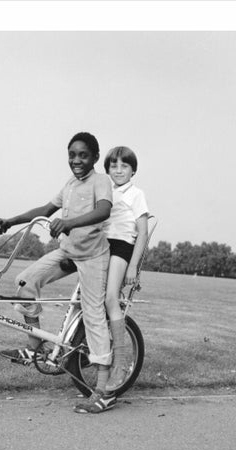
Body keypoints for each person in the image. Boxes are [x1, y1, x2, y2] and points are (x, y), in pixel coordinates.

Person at [0, 132, 116, 414]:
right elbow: (46, 209)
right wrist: (11, 221)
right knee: (25, 280)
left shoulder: (101, 181)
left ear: (95, 157)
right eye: (72, 155)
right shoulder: (70, 184)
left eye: (83, 155)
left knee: (93, 313)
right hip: (68, 252)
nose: (76, 160)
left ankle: (104, 391)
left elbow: (104, 211)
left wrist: (69, 222)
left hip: (94, 257)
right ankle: (35, 348)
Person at [102, 146, 149, 392]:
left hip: (121, 247)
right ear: (107, 169)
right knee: (89, 301)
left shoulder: (136, 194)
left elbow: (142, 232)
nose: (118, 170)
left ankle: (119, 365)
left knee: (111, 299)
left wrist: (133, 267)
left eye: (124, 166)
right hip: (101, 247)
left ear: (133, 171)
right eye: (114, 165)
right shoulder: (106, 191)